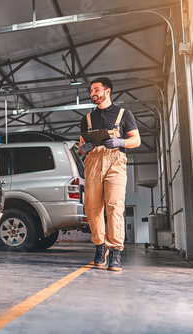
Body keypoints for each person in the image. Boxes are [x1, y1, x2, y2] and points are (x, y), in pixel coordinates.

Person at [79, 77, 141, 271]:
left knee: (114, 206)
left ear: (107, 91)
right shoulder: (87, 118)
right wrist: (83, 148)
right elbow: (81, 144)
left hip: (115, 162)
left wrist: (120, 142)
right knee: (92, 207)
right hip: (93, 163)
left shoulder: (124, 114)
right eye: (91, 91)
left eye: (96, 89)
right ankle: (100, 246)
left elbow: (136, 140)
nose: (92, 93)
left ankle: (115, 251)